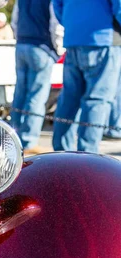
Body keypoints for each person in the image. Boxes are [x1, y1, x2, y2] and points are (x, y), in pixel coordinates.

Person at [52, 0, 121, 153]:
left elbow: (57, 5)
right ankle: (88, 155)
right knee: (97, 100)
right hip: (102, 38)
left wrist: (74, 23)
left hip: (73, 38)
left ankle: (62, 152)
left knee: (69, 99)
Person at [10, 0, 64, 154]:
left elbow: (15, 21)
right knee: (36, 97)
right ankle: (28, 141)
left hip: (22, 44)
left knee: (20, 93)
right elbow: (56, 24)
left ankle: (13, 136)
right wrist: (57, 49)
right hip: (41, 46)